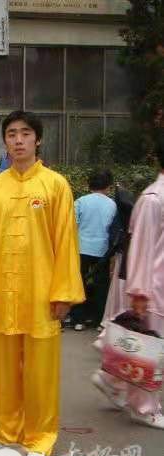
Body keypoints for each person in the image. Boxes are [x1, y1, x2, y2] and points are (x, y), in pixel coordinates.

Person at [0, 111, 84, 456]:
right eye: (11, 134)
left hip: (42, 291)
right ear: (4, 141)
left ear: (38, 139)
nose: (18, 140)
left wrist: (63, 292)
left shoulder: (55, 185)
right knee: (5, 367)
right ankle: (7, 430)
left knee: (40, 370)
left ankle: (40, 437)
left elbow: (66, 241)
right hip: (3, 290)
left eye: (25, 133)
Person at [91, 138, 164, 429]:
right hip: (154, 287)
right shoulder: (153, 199)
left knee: (144, 347)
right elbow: (142, 247)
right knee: (150, 349)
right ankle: (144, 408)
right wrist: (140, 291)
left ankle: (111, 380)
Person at [70, 170, 117, 331]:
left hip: (81, 248)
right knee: (101, 286)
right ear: (108, 186)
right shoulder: (112, 204)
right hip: (103, 251)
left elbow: (73, 225)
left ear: (89, 185)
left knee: (79, 283)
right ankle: (99, 321)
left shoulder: (81, 201)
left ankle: (78, 320)